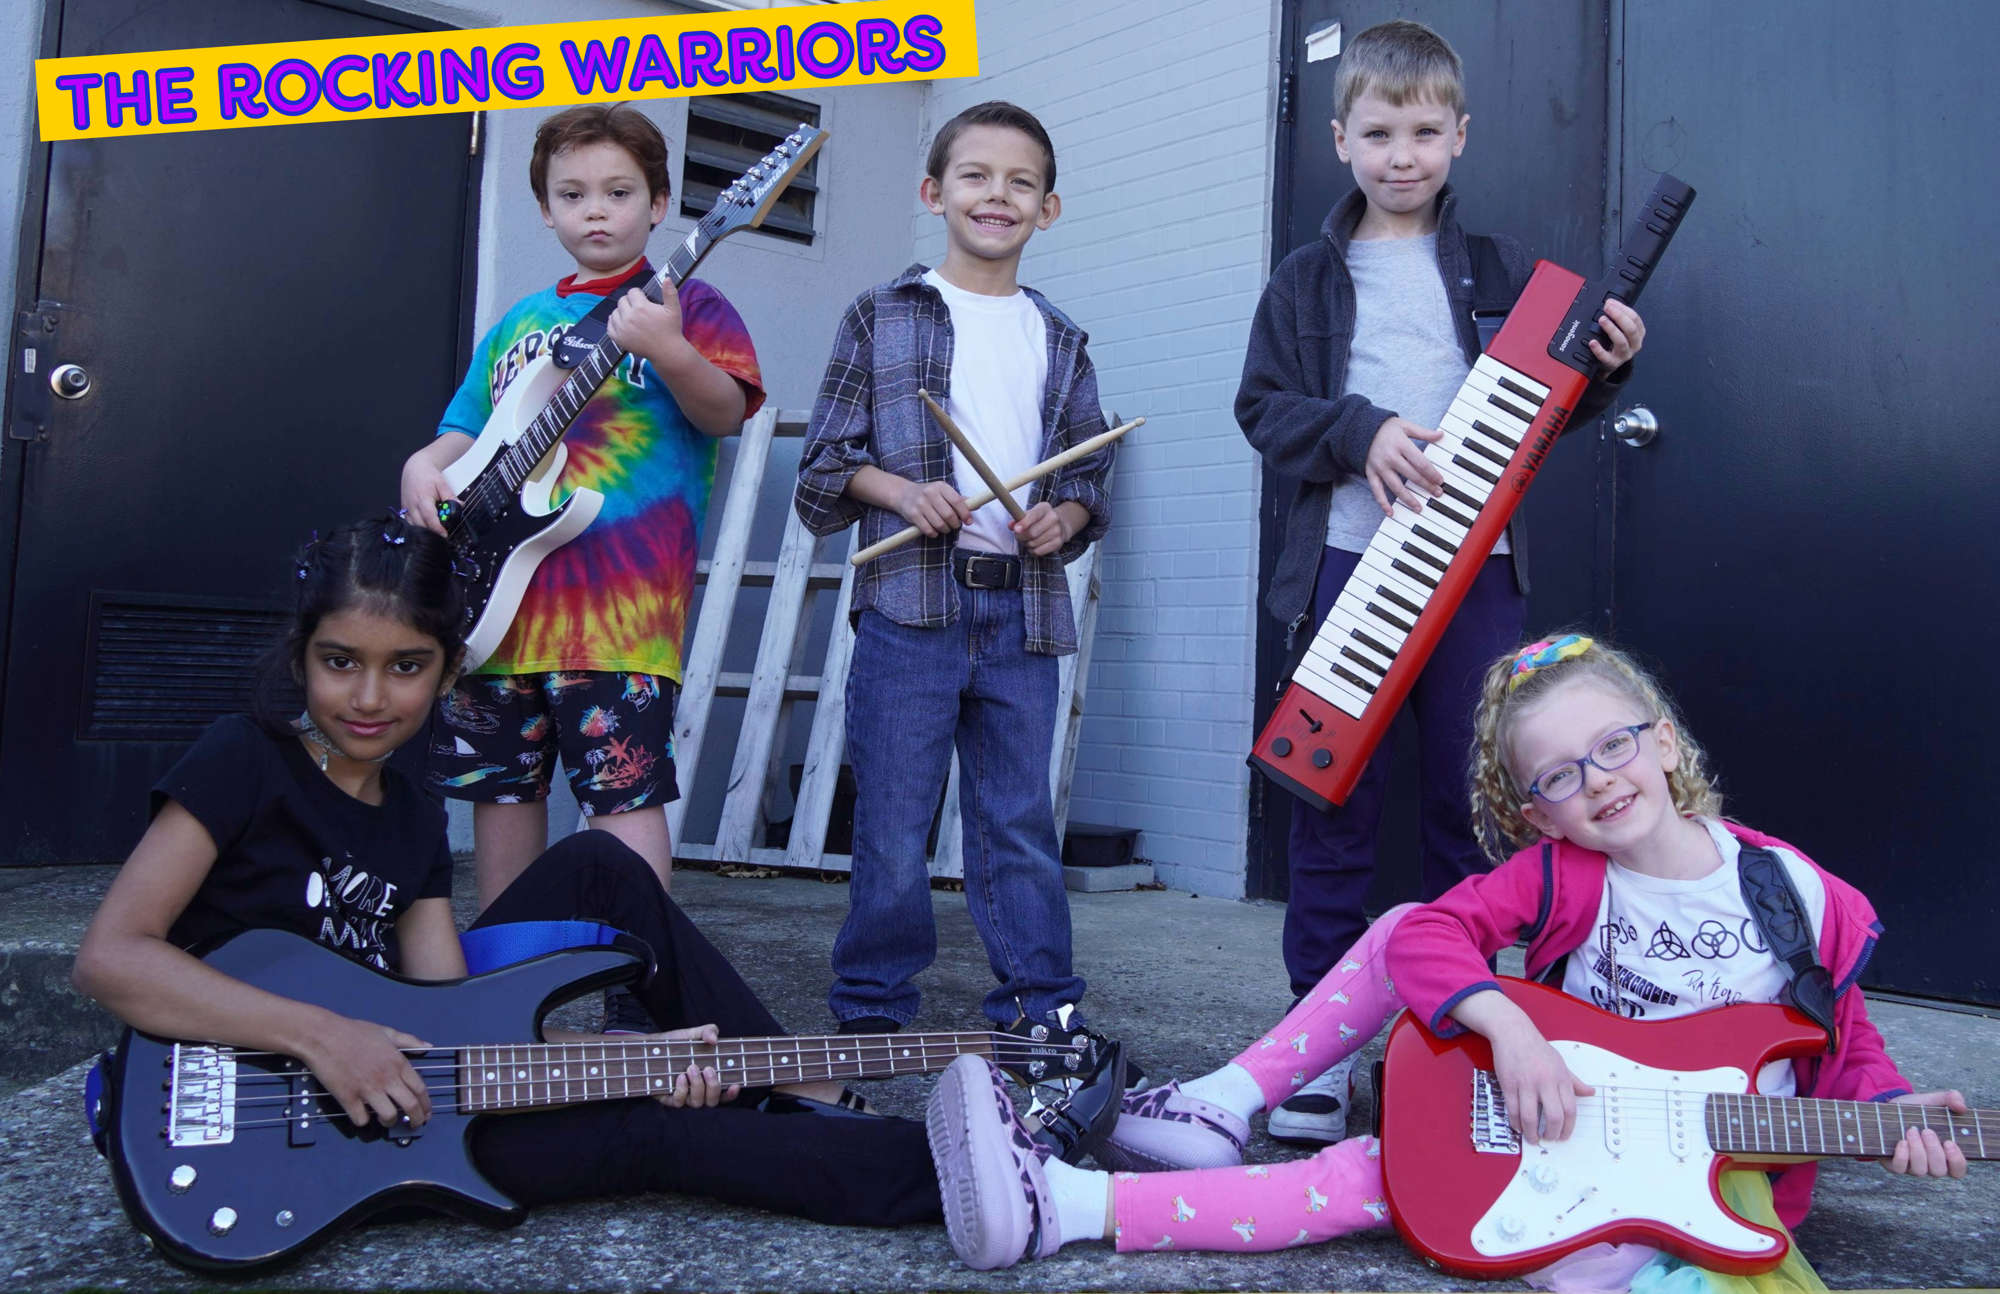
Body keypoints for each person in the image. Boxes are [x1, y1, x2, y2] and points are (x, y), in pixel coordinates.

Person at [926, 634, 1971, 1286]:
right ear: (1531, 812)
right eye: (1559, 774)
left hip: (1700, 1188)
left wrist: (1892, 1114)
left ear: (1660, 741)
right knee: (1363, 1177)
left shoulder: (1798, 895)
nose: (1598, 780)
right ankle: (1060, 1203)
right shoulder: (1565, 874)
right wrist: (1508, 1027)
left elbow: (1845, 1045)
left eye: (1612, 744)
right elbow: (1424, 935)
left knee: (1523, 1237)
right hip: (1551, 1125)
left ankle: (1093, 1194)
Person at [71, 516, 940, 1236]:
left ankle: (803, 1090)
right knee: (654, 1137)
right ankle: (931, 1163)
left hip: (408, 1070)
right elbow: (112, 959)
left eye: (405, 667)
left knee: (603, 869)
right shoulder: (241, 762)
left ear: (448, 672)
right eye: (341, 661)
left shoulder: (411, 816)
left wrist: (625, 1056)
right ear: (302, 656)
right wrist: (323, 1036)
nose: (369, 697)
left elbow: (450, 1016)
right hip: (271, 1110)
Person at [1233, 18, 1645, 1143]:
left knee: (1473, 810)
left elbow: (1547, 416)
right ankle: (1316, 1049)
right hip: (1344, 565)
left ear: (1458, 136)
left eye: (1422, 131)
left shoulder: (1503, 273)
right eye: (1376, 131)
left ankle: (1466, 1048)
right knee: (1331, 807)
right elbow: (1261, 409)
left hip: (1479, 576)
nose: (1400, 153)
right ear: (1338, 139)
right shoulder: (1306, 278)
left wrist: (1604, 370)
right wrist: (1359, 431)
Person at [793, 101, 1116, 1039]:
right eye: (976, 176)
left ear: (1047, 209)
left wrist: (1070, 512)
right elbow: (822, 470)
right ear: (934, 193)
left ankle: (1039, 1014)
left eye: (1021, 182)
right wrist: (901, 493)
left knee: (1018, 827)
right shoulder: (881, 315)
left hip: (1023, 618)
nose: (997, 196)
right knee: (892, 829)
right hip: (910, 611)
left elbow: (1092, 470)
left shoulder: (1062, 339)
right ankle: (871, 1010)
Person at [401, 103, 765, 903]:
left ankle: (641, 996)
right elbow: (465, 430)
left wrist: (668, 349)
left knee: (624, 800)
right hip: (495, 613)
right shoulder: (519, 323)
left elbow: (728, 414)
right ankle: (506, 991)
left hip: (618, 617)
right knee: (501, 799)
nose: (595, 209)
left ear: (660, 204)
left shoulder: (691, 306)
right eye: (572, 195)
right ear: (545, 209)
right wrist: (421, 467)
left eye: (618, 191)